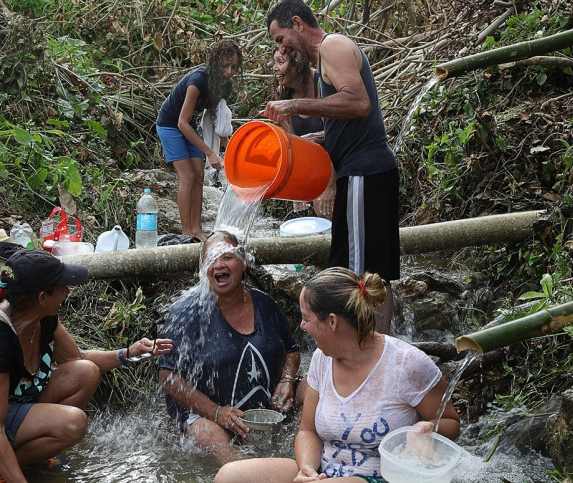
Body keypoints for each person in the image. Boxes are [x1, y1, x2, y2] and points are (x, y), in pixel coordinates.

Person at [0, 248, 173, 483]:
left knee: (86, 371)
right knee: (73, 423)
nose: (68, 292)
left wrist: (130, 352)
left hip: (11, 406)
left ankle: (30, 456)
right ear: (42, 297)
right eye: (62, 287)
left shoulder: (44, 317)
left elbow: (77, 357)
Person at [214, 267, 460, 482]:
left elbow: (452, 423)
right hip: (325, 472)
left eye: (306, 318)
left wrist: (424, 429)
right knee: (229, 476)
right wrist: (307, 469)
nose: (301, 327)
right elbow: (307, 431)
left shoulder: (408, 364)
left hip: (381, 476)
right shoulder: (322, 359)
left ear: (332, 322)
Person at [263, 0, 400, 334]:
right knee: (373, 273)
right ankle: (378, 349)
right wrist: (322, 136)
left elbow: (358, 101)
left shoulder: (333, 46)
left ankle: (366, 351)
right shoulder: (325, 60)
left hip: (363, 172)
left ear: (297, 23)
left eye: (280, 38)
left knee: (357, 274)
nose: (281, 48)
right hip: (367, 171)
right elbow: (355, 116)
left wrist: (294, 104)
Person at [158, 230, 301, 463]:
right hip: (209, 415)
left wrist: (286, 380)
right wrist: (216, 412)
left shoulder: (265, 303)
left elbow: (292, 349)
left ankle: (304, 459)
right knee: (206, 434)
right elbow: (167, 376)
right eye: (211, 259)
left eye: (226, 257)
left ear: (244, 263)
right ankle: (246, 473)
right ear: (203, 270)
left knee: (309, 390)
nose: (218, 265)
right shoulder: (187, 312)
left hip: (265, 410)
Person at [156, 39, 243, 241]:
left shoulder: (225, 86)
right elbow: (181, 122)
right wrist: (210, 152)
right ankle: (186, 233)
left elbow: (219, 121)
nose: (229, 71)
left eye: (234, 67)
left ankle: (197, 231)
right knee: (187, 176)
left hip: (189, 124)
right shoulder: (198, 81)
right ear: (214, 63)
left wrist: (230, 151)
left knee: (199, 176)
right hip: (170, 124)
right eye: (225, 66)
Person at [271, 47, 335, 221]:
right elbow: (293, 144)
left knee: (331, 209)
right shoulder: (282, 95)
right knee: (322, 212)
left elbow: (335, 135)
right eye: (274, 62)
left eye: (281, 62)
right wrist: (297, 188)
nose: (275, 68)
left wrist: (330, 187)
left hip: (340, 158)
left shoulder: (321, 84)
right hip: (315, 164)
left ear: (298, 66)